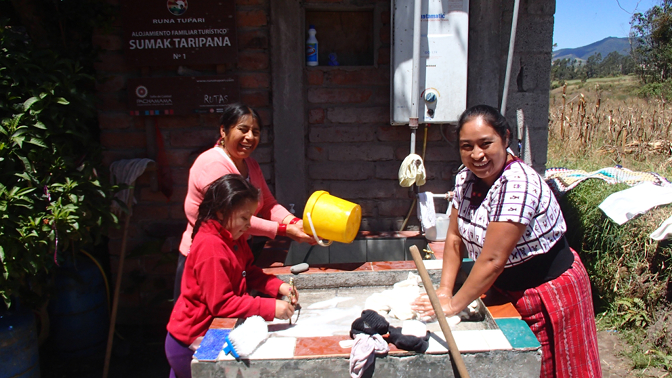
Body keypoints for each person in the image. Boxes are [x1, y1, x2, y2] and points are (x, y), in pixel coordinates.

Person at [411, 104, 601, 377]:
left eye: (486, 143)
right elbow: (454, 238)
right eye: (467, 146)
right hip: (505, 287)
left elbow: (492, 260)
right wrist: (444, 289)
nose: (477, 155)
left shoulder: (518, 184)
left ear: (506, 138)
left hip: (549, 292)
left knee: (557, 368)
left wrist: (452, 305)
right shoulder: (466, 178)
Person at [165, 174, 298, 378]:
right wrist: (269, 307)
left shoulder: (233, 236)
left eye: (251, 218)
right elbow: (221, 304)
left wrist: (278, 287)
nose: (248, 224)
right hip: (192, 339)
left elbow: (249, 270)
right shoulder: (211, 247)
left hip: (211, 330)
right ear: (221, 212)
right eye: (244, 218)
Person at [176, 103, 314, 299]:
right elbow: (233, 218)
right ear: (223, 130)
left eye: (255, 132)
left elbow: (268, 204)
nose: (250, 137)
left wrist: (295, 223)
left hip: (236, 255)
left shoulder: (250, 164)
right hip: (205, 259)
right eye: (243, 129)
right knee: (205, 322)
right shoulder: (212, 164)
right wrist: (284, 231)